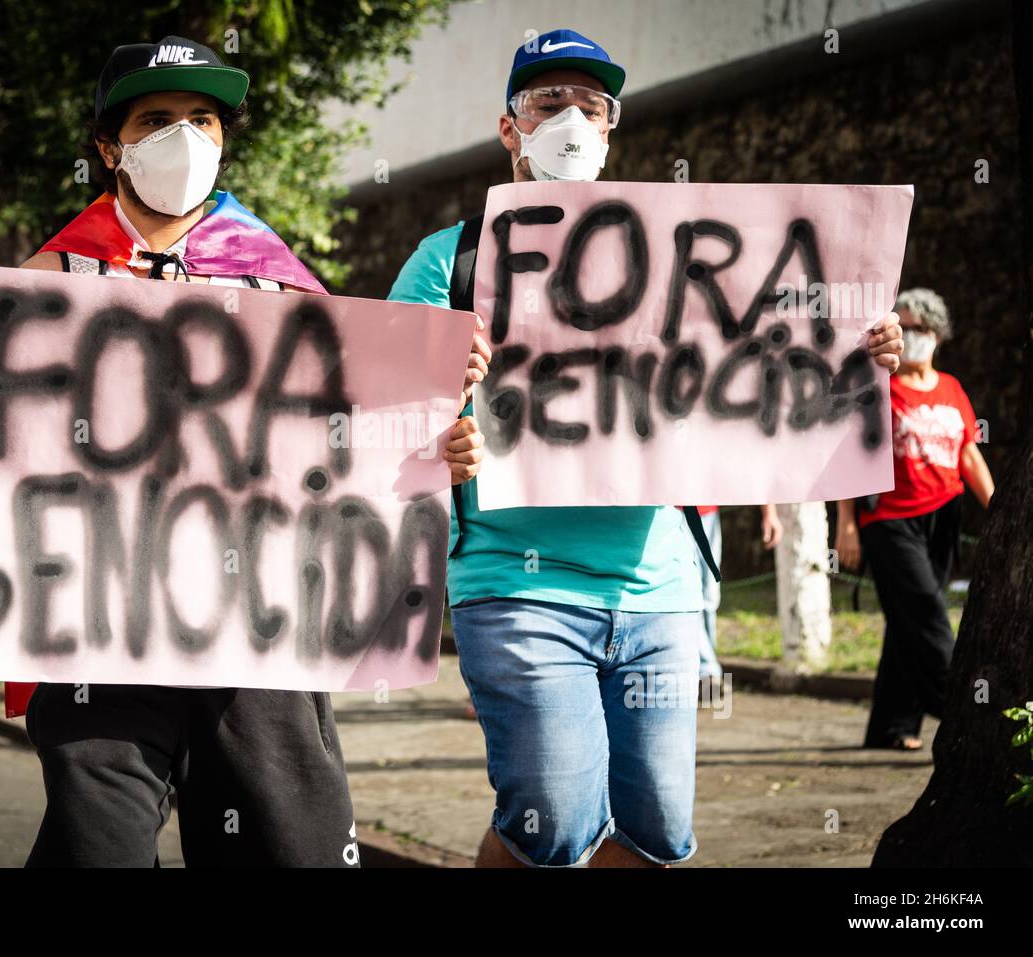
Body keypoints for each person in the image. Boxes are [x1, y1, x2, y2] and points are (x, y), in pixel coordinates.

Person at [0, 33, 482, 867]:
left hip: (257, 637)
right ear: (109, 147)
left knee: (286, 849)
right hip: (104, 637)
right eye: (157, 119)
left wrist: (434, 439)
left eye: (204, 118)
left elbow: (349, 435)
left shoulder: (282, 283)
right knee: (99, 849)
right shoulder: (48, 278)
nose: (186, 138)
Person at [388, 28, 905, 868]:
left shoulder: (675, 256)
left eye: (591, 107)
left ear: (611, 129)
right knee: (551, 820)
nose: (571, 122)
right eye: (546, 103)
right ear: (507, 127)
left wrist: (853, 345)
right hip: (518, 590)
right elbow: (376, 422)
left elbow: (767, 354)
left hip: (660, 589)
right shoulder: (450, 262)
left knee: (659, 833)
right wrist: (440, 427)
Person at [835, 288, 992, 751]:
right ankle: (964, 715)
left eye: (921, 327)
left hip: (944, 517)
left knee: (907, 620)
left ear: (938, 335)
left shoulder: (952, 389)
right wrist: (845, 524)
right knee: (927, 614)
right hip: (889, 520)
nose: (914, 335)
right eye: (905, 326)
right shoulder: (878, 388)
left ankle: (891, 726)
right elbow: (848, 457)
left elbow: (969, 455)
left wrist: (1000, 509)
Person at [687, 505, 784, 683]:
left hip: (708, 514)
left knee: (710, 597)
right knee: (690, 595)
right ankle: (708, 669)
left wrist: (769, 513)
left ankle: (704, 667)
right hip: (674, 515)